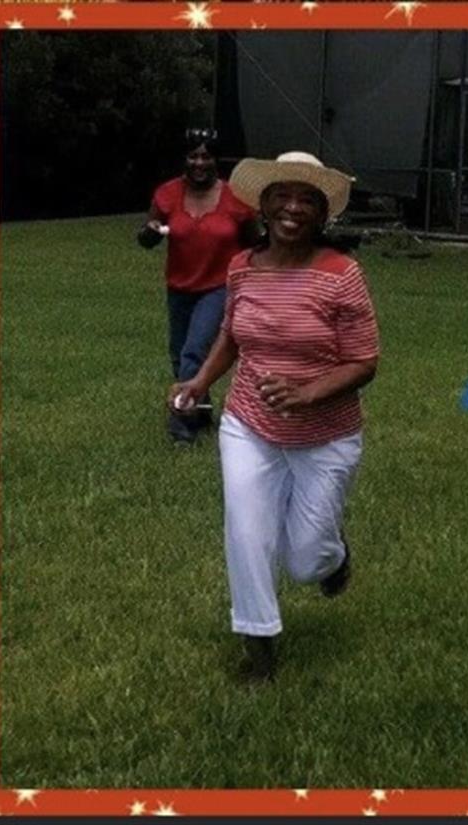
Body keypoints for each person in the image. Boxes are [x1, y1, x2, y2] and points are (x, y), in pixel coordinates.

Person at [169, 151, 379, 682]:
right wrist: (200, 382)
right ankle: (258, 647)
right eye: (281, 195)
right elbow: (232, 335)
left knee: (306, 559)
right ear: (262, 204)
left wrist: (309, 393)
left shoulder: (341, 274)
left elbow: (364, 361)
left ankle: (333, 557)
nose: (292, 207)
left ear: (322, 213)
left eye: (307, 199)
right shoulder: (241, 268)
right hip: (249, 425)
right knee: (246, 529)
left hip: (326, 435)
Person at [138, 128, 257, 445]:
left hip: (218, 286)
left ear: (217, 160)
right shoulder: (167, 194)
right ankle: (202, 410)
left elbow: (254, 244)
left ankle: (182, 426)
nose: (199, 162)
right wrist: (149, 233)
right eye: (193, 156)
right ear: (184, 159)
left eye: (206, 156)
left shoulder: (236, 198)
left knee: (193, 350)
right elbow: (147, 235)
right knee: (179, 355)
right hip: (179, 286)